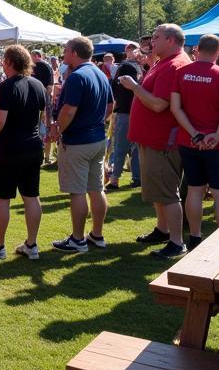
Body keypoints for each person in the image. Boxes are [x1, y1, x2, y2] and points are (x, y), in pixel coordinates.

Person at [120, 24, 190, 258]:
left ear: (171, 40)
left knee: (168, 192)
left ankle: (177, 242)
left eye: (157, 38)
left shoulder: (173, 65)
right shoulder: (166, 63)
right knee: (159, 191)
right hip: (153, 138)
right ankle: (163, 230)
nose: (152, 43)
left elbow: (160, 104)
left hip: (162, 141)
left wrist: (134, 87)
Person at [0, 44, 46, 261]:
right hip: (33, 146)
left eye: (5, 61)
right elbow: (41, 115)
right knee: (31, 196)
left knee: (2, 198)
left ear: (9, 63)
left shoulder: (7, 87)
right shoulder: (38, 85)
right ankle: (31, 245)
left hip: (11, 148)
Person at [169, 34, 219, 249]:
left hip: (189, 142)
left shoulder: (182, 73)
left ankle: (195, 236)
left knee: (195, 190)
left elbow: (175, 108)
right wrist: (215, 135)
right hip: (216, 144)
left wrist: (194, 133)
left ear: (197, 49)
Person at [48, 37, 112, 253]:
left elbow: (68, 110)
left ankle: (77, 239)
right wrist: (97, 121)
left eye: (66, 50)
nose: (64, 54)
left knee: (77, 192)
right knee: (96, 189)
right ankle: (97, 234)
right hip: (97, 138)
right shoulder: (100, 73)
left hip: (78, 141)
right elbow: (111, 105)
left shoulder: (77, 76)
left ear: (75, 52)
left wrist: (58, 129)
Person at [105, 42, 142, 191]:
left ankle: (115, 180)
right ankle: (137, 178)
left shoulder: (122, 75)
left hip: (123, 114)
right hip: (137, 114)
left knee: (120, 147)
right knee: (136, 149)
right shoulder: (137, 78)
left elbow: (113, 94)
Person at [31, 49, 56, 166]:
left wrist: (45, 103)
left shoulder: (45, 66)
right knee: (40, 129)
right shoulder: (32, 67)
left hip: (43, 103)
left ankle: (45, 157)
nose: (31, 58)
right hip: (37, 103)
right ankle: (41, 157)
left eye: (32, 55)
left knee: (45, 129)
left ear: (37, 56)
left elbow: (50, 87)